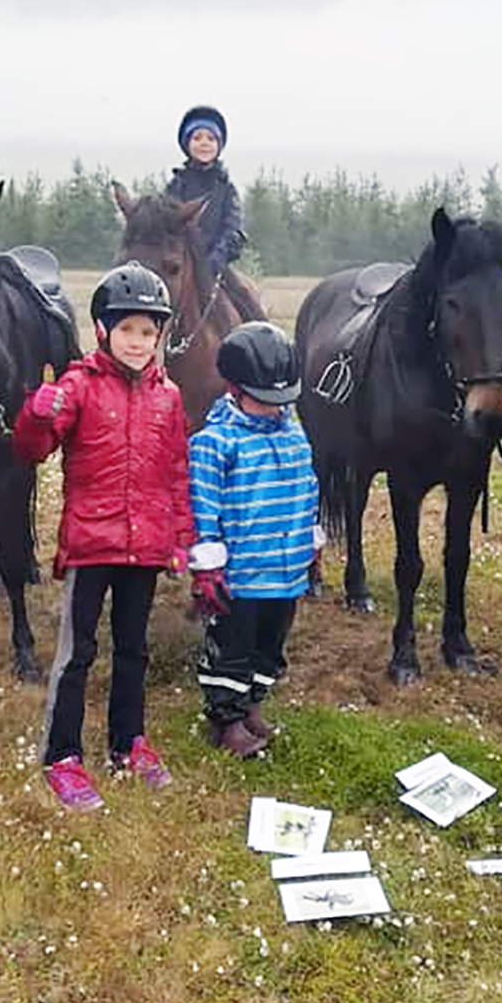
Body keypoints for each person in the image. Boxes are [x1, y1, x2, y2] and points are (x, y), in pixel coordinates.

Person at [12, 261, 194, 811]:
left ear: (160, 336)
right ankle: (63, 756)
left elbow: (177, 471)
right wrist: (36, 415)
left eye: (148, 332)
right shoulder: (79, 385)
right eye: (127, 330)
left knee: (133, 649)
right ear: (102, 330)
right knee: (78, 653)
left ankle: (127, 743)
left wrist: (181, 537)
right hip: (92, 546)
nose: (138, 343)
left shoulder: (170, 397)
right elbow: (31, 451)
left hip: (146, 548)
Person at [187, 322, 321, 758]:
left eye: (281, 401)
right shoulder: (214, 443)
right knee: (233, 648)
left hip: (286, 570)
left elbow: (307, 487)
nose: (273, 409)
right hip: (241, 576)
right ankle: (225, 720)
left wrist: (311, 542)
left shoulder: (293, 432)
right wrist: (207, 564)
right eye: (264, 401)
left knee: (270, 644)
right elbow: (203, 505)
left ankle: (252, 705)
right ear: (234, 388)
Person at [165, 105, 244, 276]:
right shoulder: (175, 186)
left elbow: (233, 230)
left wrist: (217, 258)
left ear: (219, 145)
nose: (204, 143)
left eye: (211, 138)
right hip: (178, 267)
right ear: (187, 144)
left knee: (246, 298)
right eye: (197, 137)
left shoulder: (226, 188)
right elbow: (165, 228)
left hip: (217, 268)